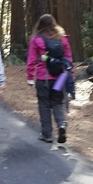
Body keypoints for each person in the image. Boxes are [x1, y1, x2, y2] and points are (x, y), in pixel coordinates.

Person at [26, 14, 73, 144]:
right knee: (57, 102)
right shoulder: (62, 39)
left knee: (44, 104)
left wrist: (30, 77)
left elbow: (31, 60)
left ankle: (47, 134)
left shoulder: (37, 40)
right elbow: (68, 58)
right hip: (59, 78)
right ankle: (61, 124)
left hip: (44, 78)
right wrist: (70, 74)